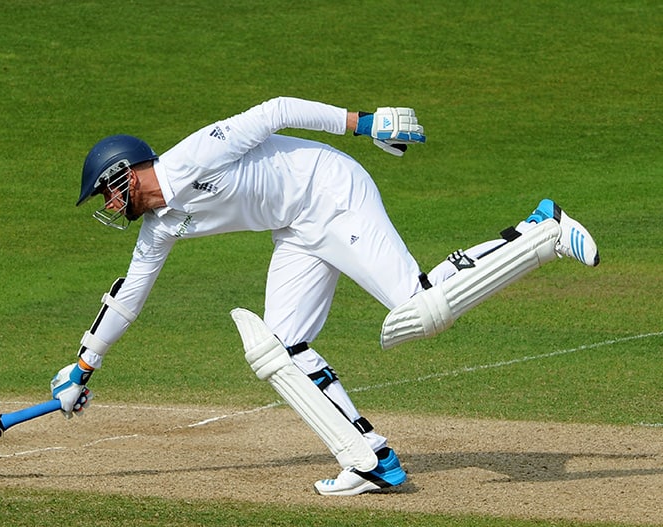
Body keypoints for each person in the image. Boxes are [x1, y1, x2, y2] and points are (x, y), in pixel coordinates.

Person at [49, 97, 599, 496]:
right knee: (280, 349)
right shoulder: (160, 228)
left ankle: (540, 230)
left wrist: (366, 123)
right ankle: (370, 459)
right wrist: (83, 365)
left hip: (331, 193)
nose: (107, 205)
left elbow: (275, 111)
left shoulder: (191, 158)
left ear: (125, 174)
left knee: (421, 307)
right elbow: (128, 296)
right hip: (296, 229)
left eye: (104, 192)